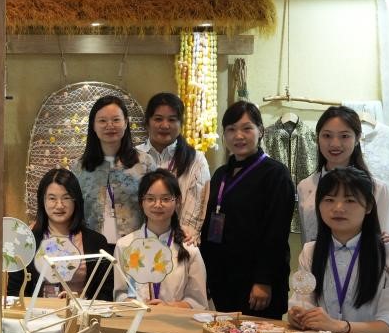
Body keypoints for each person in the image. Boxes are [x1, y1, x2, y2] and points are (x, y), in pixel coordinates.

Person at [288, 167, 389, 333]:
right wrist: (299, 315)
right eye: (329, 200)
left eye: (350, 200)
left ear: (368, 206)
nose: (338, 208)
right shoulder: (310, 252)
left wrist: (340, 326)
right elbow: (303, 301)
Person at [200, 101, 295, 319]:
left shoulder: (275, 174)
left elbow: (277, 232)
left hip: (256, 284)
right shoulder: (221, 174)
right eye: (231, 129)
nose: (238, 136)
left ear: (260, 131)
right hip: (223, 277)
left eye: (246, 128)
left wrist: (263, 280)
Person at [296, 105, 389, 242]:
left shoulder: (376, 188)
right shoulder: (305, 186)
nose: (335, 144)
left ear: (357, 139)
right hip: (316, 256)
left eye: (344, 136)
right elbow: (306, 240)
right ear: (317, 138)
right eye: (327, 135)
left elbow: (388, 239)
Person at [7, 168, 114, 300]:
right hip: (38, 311)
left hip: (81, 311)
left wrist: (80, 304)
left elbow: (106, 293)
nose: (59, 205)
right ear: (42, 201)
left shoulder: (96, 241)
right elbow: (15, 291)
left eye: (66, 198)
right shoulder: (26, 241)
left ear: (76, 201)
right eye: (52, 198)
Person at [115, 169, 207, 309]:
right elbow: (120, 294)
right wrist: (137, 305)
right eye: (150, 199)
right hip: (135, 319)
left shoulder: (189, 248)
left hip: (174, 321)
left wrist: (169, 307)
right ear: (141, 202)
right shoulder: (124, 245)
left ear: (177, 201)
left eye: (165, 199)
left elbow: (198, 302)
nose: (158, 205)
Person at [71, 95, 156, 245]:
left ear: (126, 123)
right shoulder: (79, 167)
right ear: (93, 125)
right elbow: (73, 209)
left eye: (116, 120)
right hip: (92, 246)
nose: (110, 125)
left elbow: (156, 204)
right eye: (102, 120)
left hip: (135, 245)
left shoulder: (144, 163)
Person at [139, 93, 211, 241]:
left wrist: (178, 239)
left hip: (180, 242)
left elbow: (195, 212)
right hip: (137, 243)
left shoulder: (196, 160)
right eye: (158, 119)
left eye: (172, 119)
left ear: (181, 124)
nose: (165, 125)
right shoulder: (133, 157)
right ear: (147, 122)